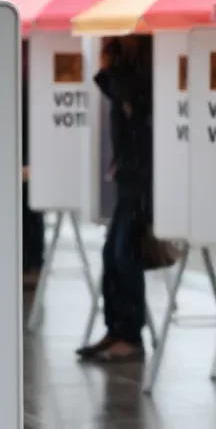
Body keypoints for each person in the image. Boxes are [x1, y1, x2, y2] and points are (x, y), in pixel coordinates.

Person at [77, 35, 153, 362]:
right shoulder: (127, 64)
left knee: (125, 253)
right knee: (112, 253)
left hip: (143, 175)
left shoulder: (144, 66)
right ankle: (116, 328)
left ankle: (131, 335)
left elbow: (124, 92)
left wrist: (108, 64)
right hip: (129, 173)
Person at [21, 40, 45, 288]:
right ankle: (32, 262)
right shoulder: (29, 71)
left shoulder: (26, 75)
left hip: (27, 154)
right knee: (29, 210)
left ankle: (33, 263)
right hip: (27, 152)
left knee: (29, 210)